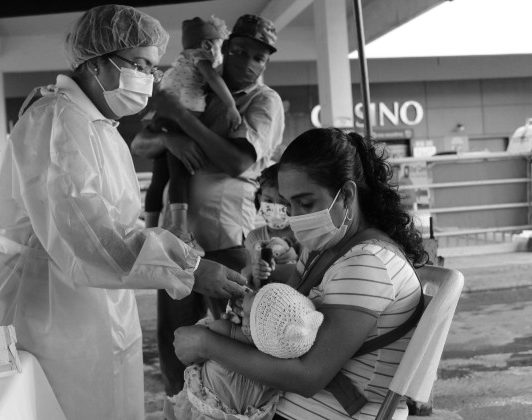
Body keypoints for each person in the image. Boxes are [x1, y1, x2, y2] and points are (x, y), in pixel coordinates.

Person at [0, 5, 246, 420]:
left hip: (83, 295)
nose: (149, 80)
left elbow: (107, 223)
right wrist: (188, 265)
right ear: (97, 61)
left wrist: (169, 248)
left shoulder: (95, 122)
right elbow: (86, 233)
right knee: (55, 405)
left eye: (153, 68)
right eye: (139, 64)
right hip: (42, 302)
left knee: (106, 398)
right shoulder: (59, 121)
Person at [173, 128, 428, 419]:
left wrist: (206, 344)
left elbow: (308, 376)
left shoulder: (368, 264)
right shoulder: (322, 249)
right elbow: (282, 333)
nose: (294, 217)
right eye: (288, 203)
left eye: (305, 204)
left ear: (346, 195)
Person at [132, 15, 284, 411]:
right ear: (225, 47)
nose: (248, 63)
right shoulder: (199, 82)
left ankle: (229, 411)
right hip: (178, 237)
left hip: (227, 234)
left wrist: (182, 122)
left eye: (259, 58)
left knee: (229, 334)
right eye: (239, 51)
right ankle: (178, 410)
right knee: (176, 338)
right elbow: (141, 143)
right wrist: (172, 139)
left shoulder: (263, 101)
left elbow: (236, 161)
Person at [144, 16, 240, 257]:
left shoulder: (179, 61)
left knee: (159, 177)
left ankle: (149, 232)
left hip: (162, 118)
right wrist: (231, 105)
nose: (220, 52)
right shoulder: (200, 58)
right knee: (180, 172)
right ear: (208, 45)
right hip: (181, 116)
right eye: (219, 45)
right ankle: (179, 228)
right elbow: (214, 79)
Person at [171, 283, 324, 420]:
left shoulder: (226, 330)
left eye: (246, 312)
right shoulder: (279, 360)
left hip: (206, 409)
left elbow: (201, 335)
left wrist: (229, 318)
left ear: (249, 328)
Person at [244, 163, 299, 288]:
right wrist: (254, 272)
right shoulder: (254, 237)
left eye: (283, 202)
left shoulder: (301, 234)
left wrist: (269, 270)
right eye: (268, 201)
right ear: (259, 199)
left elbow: (302, 274)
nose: (275, 208)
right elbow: (249, 274)